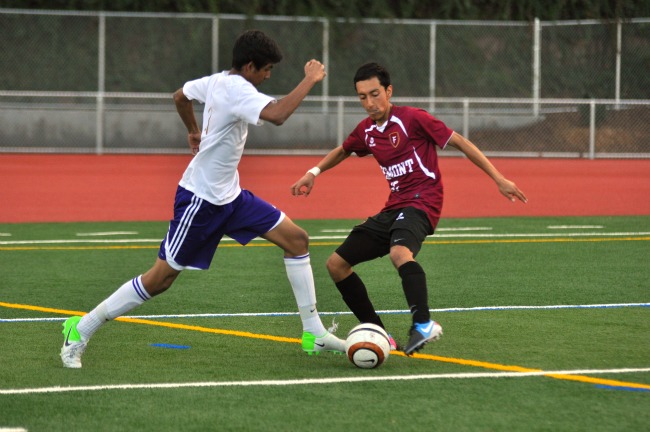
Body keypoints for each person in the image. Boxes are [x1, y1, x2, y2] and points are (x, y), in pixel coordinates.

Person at [60, 30, 345, 368]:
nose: (268, 76)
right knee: (160, 279)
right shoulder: (239, 90)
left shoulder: (217, 80)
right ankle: (81, 328)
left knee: (297, 240)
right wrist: (310, 79)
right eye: (266, 69)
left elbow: (180, 96)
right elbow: (278, 114)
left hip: (231, 197)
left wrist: (193, 130)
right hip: (200, 200)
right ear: (250, 66)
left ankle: (313, 333)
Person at [291, 62, 528, 355]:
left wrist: (499, 178)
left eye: (375, 94)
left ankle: (423, 323)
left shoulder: (413, 118)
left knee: (399, 253)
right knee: (336, 265)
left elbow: (461, 142)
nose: (369, 102)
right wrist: (313, 173)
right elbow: (344, 150)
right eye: (362, 96)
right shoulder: (366, 131)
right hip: (394, 206)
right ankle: (378, 333)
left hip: (423, 201)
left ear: (389, 91)